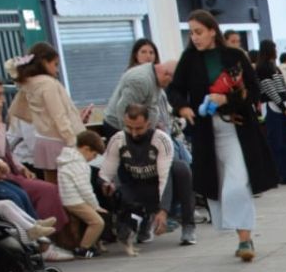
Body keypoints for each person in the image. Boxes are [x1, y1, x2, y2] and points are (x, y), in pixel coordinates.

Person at [167, 8, 277, 262]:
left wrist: (227, 97)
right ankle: (242, 236)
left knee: (237, 184)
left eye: (199, 32)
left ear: (212, 31)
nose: (194, 37)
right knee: (216, 184)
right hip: (206, 132)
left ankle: (245, 238)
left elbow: (254, 90)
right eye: (191, 33)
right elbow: (175, 90)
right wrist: (183, 107)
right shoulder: (189, 60)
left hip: (236, 128)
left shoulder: (233, 56)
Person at [0, 75, 67, 229]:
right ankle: (47, 237)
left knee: (49, 188)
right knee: (46, 190)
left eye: (2, 95)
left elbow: (6, 148)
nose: (3, 100)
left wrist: (20, 166)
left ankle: (50, 232)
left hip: (11, 169)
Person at [99, 102, 194, 251]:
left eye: (139, 128)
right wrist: (106, 184)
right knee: (111, 188)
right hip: (137, 187)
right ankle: (138, 224)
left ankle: (188, 225)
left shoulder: (161, 139)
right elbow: (106, 172)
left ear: (148, 124)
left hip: (163, 187)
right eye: (129, 128)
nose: (134, 133)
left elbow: (165, 177)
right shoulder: (118, 139)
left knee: (181, 168)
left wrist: (163, 211)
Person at [7, 41, 92, 177]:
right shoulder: (49, 84)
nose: (57, 70)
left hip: (42, 140)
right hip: (59, 141)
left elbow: (20, 111)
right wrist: (72, 141)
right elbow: (58, 115)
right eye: (55, 64)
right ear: (44, 62)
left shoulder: (28, 84)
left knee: (52, 184)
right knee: (72, 184)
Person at [255, 41, 286, 185]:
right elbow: (270, 91)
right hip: (271, 108)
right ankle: (277, 175)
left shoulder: (275, 67)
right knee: (276, 143)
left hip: (284, 107)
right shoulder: (263, 68)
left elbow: (283, 88)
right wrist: (283, 107)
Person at [61, 129, 106, 258]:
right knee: (97, 222)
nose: (93, 159)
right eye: (94, 154)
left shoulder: (67, 160)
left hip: (68, 197)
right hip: (75, 200)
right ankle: (84, 248)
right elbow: (85, 189)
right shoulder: (79, 165)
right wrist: (95, 206)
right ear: (86, 149)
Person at [103, 55, 174, 131]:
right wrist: (130, 135)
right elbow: (123, 109)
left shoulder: (156, 78)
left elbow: (151, 106)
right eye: (170, 82)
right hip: (119, 128)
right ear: (166, 74)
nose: (169, 85)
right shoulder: (141, 81)